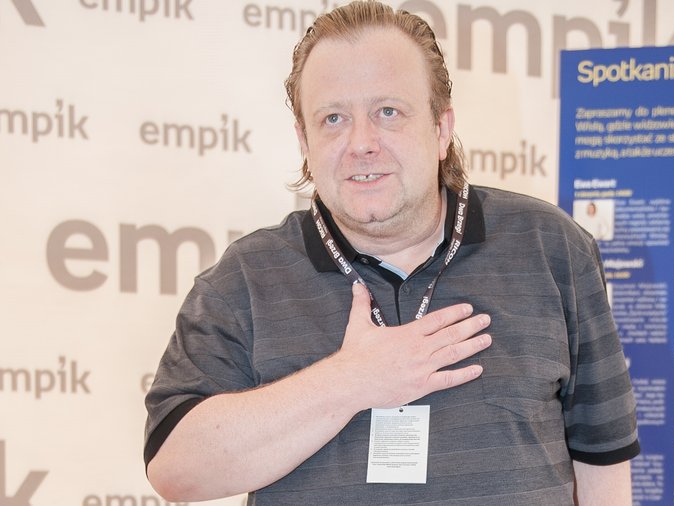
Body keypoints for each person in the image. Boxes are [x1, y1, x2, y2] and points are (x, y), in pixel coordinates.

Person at [143, 2, 639, 504]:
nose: (361, 143)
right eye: (333, 118)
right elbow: (176, 471)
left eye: (388, 112)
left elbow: (603, 461)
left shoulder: (551, 248)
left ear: (441, 129)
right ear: (305, 142)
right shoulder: (246, 277)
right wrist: (350, 381)